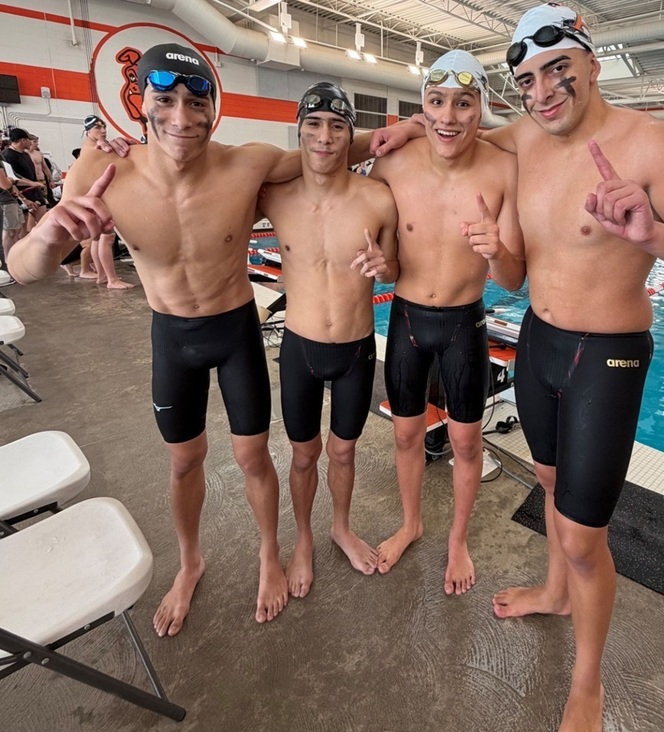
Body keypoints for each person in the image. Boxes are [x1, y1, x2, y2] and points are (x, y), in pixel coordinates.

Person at [401, 4, 664, 732]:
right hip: (536, 344)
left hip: (608, 359)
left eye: (554, 69)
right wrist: (384, 133)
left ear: (591, 63)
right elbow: (448, 129)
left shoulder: (652, 147)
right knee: (551, 488)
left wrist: (651, 235)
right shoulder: (523, 138)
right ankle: (555, 596)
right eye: (525, 79)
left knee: (583, 537)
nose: (541, 89)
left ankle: (587, 688)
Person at [9, 42, 420, 637]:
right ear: (140, 103)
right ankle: (190, 562)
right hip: (171, 334)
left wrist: (412, 125)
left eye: (195, 101)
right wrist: (48, 233)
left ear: (213, 108)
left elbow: (324, 150)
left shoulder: (247, 166)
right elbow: (25, 269)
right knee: (184, 461)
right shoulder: (104, 172)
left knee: (253, 456)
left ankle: (269, 554)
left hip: (235, 332)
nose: (182, 117)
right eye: (166, 99)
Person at [367, 50, 525, 595]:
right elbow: (385, 258)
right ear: (423, 107)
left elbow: (511, 278)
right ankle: (411, 524)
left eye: (464, 103)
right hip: (406, 316)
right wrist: (376, 266)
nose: (449, 117)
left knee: (465, 443)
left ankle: (457, 540)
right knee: (407, 433)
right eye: (436, 102)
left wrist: (497, 249)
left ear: (482, 106)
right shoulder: (394, 163)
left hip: (465, 324)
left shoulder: (503, 169)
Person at [256, 83, 399, 597]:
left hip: (357, 349)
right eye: (313, 125)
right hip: (300, 348)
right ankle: (302, 539)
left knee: (344, 451)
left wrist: (387, 267)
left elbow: (395, 267)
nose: (325, 136)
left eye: (337, 126)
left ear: (349, 134)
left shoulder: (377, 199)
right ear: (298, 131)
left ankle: (340, 527)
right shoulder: (274, 197)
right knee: (302, 454)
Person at [80, 116, 134, 290]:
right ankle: (112, 279)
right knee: (107, 238)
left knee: (98, 239)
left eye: (103, 126)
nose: (103, 130)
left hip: (97, 197)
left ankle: (103, 276)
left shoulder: (88, 148)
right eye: (97, 128)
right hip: (101, 197)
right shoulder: (93, 149)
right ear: (88, 132)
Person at [1, 129, 47, 231]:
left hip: (33, 191)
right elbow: (12, 179)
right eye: (28, 140)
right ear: (23, 140)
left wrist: (35, 184)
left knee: (43, 222)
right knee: (23, 228)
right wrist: (23, 199)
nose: (31, 142)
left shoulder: (25, 154)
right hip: (21, 194)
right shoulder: (7, 155)